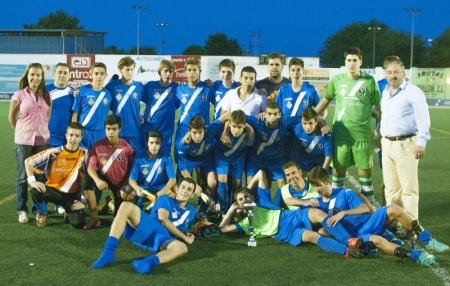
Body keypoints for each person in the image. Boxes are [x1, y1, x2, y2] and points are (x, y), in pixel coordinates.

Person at [308, 166, 448, 267]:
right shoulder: (318, 205)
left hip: (369, 222)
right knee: (377, 239)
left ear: (327, 181)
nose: (316, 189)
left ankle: (428, 240)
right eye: (314, 186)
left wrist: (343, 213)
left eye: (318, 185)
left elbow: (364, 208)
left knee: (394, 208)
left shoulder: (344, 192)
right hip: (358, 235)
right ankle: (416, 256)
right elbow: (321, 229)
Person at [219, 173, 364, 258]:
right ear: (238, 204)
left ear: (252, 197)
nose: (245, 200)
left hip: (289, 216)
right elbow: (223, 228)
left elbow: (261, 174)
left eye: (247, 196)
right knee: (311, 236)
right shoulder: (245, 223)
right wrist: (232, 209)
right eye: (240, 199)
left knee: (317, 213)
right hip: (284, 232)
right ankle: (348, 251)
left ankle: (349, 241)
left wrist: (246, 189)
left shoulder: (261, 201)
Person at [314, 47, 381, 203]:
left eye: (355, 60)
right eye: (349, 60)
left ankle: (369, 212)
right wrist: (311, 115)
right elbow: (326, 100)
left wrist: (381, 132)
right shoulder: (337, 80)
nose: (352, 64)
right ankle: (336, 207)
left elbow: (379, 108)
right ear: (345, 62)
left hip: (362, 137)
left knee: (365, 178)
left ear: (360, 62)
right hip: (340, 136)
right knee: (338, 177)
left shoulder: (370, 81)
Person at [92, 177, 198, 274]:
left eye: (189, 189)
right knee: (125, 205)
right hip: (149, 227)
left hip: (163, 239)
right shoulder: (165, 199)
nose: (184, 191)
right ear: (177, 189)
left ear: (192, 194)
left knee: (182, 248)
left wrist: (186, 234)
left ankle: (147, 262)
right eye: (183, 187)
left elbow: (181, 227)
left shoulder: (192, 211)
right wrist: (184, 237)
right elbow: (163, 219)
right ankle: (108, 253)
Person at [380, 56, 430, 220]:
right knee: (391, 189)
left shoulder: (413, 92)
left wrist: (421, 142)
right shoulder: (386, 92)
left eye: (396, 72)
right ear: (385, 74)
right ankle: (392, 224)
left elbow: (423, 119)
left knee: (408, 190)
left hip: (406, 144)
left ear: (403, 73)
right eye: (389, 72)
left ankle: (410, 227)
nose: (393, 75)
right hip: (387, 144)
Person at [8, 63, 52, 223]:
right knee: (22, 177)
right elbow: (11, 118)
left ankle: (38, 209)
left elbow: (48, 117)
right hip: (23, 141)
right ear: (27, 76)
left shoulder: (47, 95)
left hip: (42, 141)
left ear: (42, 77)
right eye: (32, 74)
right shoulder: (19, 95)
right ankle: (22, 209)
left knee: (41, 177)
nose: (35, 78)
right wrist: (21, 132)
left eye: (38, 75)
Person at [24, 122, 88, 228]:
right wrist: (32, 181)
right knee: (35, 190)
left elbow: (88, 178)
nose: (73, 139)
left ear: (81, 138)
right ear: (66, 135)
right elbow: (28, 161)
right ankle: (43, 213)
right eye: (71, 135)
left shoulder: (85, 154)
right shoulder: (54, 152)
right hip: (52, 190)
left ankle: (66, 211)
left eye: (77, 136)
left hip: (70, 194)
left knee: (78, 223)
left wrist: (83, 202)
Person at [83, 115, 135, 229]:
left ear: (119, 129)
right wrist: (97, 180)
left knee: (118, 221)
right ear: (105, 129)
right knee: (86, 183)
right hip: (103, 178)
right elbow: (90, 168)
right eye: (108, 129)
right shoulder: (97, 146)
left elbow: (132, 170)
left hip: (120, 183)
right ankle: (94, 218)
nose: (111, 132)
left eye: (114, 129)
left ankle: (110, 205)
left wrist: (125, 186)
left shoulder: (127, 148)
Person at [245, 102, 300, 204]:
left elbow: (304, 117)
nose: (272, 117)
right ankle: (256, 207)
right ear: (264, 114)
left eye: (275, 114)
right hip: (257, 159)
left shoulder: (284, 122)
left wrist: (321, 123)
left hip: (277, 160)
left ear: (280, 115)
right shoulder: (257, 122)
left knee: (283, 182)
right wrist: (247, 125)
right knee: (250, 181)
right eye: (269, 114)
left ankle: (278, 207)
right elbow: (235, 115)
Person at [174, 57, 214, 161]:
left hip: (201, 132)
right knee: (182, 162)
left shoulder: (207, 88)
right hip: (183, 129)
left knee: (202, 164)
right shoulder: (179, 89)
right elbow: (172, 106)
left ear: (199, 71)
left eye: (194, 70)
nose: (192, 73)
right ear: (185, 71)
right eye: (189, 70)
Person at [124, 130, 176, 205]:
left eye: (157, 143)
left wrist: (162, 192)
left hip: (159, 187)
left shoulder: (166, 156)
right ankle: (138, 205)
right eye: (151, 143)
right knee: (124, 192)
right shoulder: (139, 156)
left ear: (161, 144)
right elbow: (132, 179)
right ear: (147, 143)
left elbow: (173, 179)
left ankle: (157, 207)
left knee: (173, 194)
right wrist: (137, 189)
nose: (154, 146)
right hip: (143, 188)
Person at [215, 110, 252, 213]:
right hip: (222, 158)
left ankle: (234, 209)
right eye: (234, 126)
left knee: (237, 183)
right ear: (229, 124)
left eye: (239, 127)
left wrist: (249, 127)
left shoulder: (249, 131)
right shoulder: (220, 129)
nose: (236, 130)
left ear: (244, 125)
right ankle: (223, 212)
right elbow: (207, 131)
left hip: (238, 158)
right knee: (222, 180)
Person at [106, 57, 145, 153]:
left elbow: (151, 102)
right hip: (118, 132)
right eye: (127, 69)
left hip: (135, 131)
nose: (130, 72)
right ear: (120, 70)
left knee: (136, 161)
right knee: (119, 162)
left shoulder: (139, 86)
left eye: (132, 69)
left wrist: (144, 116)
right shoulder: (112, 86)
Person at [71, 62, 112, 150]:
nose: (99, 76)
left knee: (99, 162)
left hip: (101, 133)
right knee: (82, 161)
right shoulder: (81, 91)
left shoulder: (108, 94)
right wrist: (74, 133)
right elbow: (75, 115)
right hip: (84, 132)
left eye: (102, 74)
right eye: (96, 73)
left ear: (106, 75)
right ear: (91, 74)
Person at [142, 60, 178, 154]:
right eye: (165, 71)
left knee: (164, 158)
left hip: (166, 133)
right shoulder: (150, 86)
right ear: (159, 72)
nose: (168, 74)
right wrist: (140, 115)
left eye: (170, 71)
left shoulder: (176, 88)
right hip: (148, 129)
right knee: (146, 157)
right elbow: (136, 99)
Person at [291, 108, 332, 177]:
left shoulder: (325, 133)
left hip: (321, 158)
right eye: (305, 123)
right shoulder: (297, 130)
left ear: (316, 122)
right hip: (306, 157)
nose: (308, 127)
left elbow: (328, 156)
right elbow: (295, 149)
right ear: (301, 122)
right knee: (302, 177)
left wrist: (322, 172)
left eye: (310, 123)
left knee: (322, 180)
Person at [46, 63, 75, 147]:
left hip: (67, 140)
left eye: (65, 73)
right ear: (54, 74)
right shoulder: (44, 91)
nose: (62, 75)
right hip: (47, 139)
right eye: (59, 72)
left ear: (69, 76)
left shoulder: (73, 93)